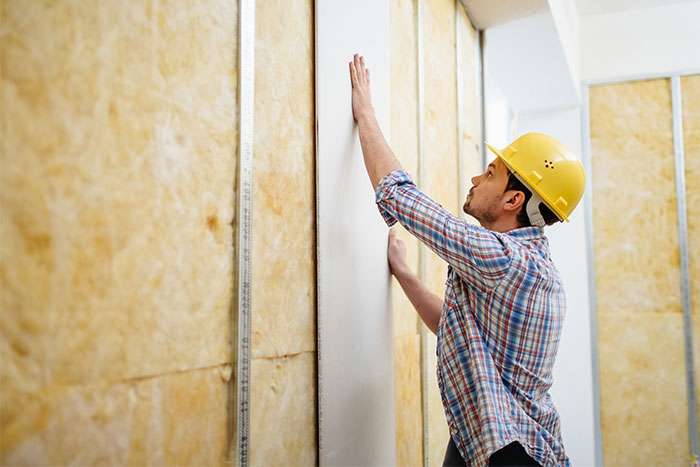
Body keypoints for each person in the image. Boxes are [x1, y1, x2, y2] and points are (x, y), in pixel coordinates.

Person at [348, 53, 585, 467]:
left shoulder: (504, 260)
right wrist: (404, 275)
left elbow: (401, 197)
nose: (477, 178)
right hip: (490, 439)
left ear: (514, 200)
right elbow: (455, 327)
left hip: (510, 451)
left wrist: (364, 113)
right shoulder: (530, 263)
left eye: (491, 173)